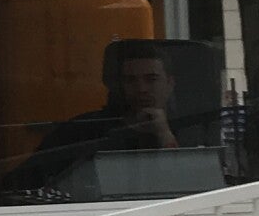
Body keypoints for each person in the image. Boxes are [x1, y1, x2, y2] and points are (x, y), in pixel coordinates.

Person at [32, 40, 179, 167]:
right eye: (130, 80)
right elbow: (30, 178)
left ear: (170, 83)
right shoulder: (81, 132)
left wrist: (165, 135)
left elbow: (186, 179)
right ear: (120, 86)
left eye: (151, 79)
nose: (141, 89)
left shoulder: (188, 127)